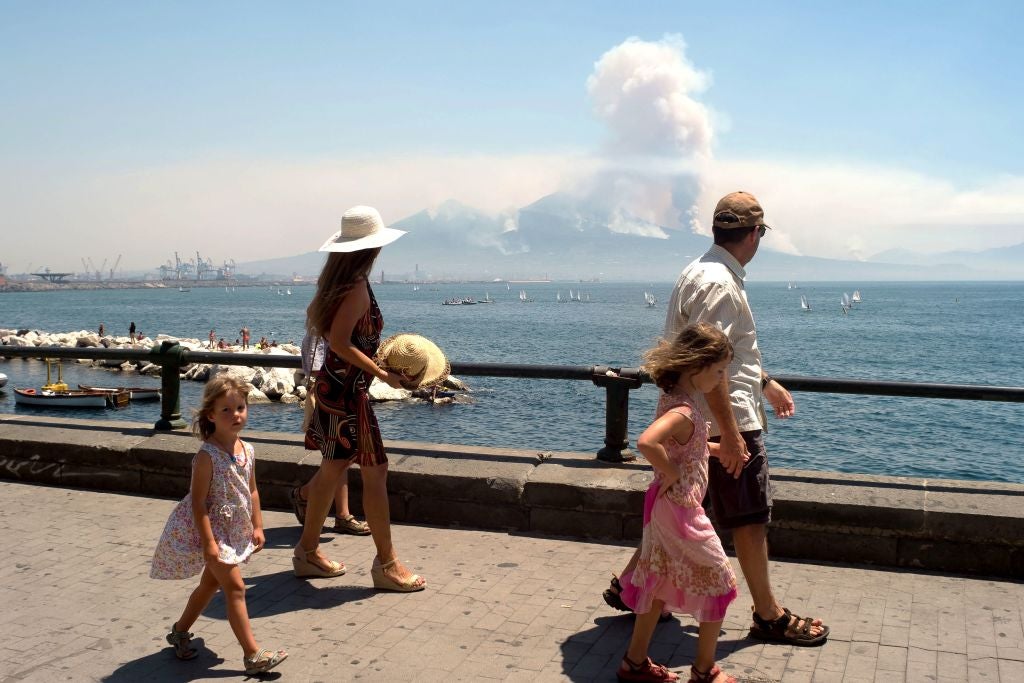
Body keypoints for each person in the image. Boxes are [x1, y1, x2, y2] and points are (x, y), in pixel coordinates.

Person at [608, 191, 828, 648]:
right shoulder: (721, 284)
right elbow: (715, 369)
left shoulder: (698, 272)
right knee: (748, 515)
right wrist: (730, 435)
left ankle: (632, 587)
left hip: (694, 416)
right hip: (722, 420)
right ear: (755, 234)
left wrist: (764, 381)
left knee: (687, 504)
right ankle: (767, 615)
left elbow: (714, 354)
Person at [293, 205, 424, 591]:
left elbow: (340, 339)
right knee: (375, 473)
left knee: (333, 468)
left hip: (336, 387)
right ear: (372, 248)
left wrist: (377, 358)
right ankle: (386, 565)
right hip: (350, 393)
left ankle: (307, 552)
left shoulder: (340, 280)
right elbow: (339, 341)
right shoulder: (354, 286)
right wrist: (384, 373)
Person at [615, 323, 738, 683]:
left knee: (656, 581)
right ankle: (704, 671)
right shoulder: (682, 411)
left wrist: (716, 448)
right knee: (719, 580)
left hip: (664, 508)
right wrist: (669, 472)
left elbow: (686, 448)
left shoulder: (676, 401)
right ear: (696, 366)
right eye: (717, 372)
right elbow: (647, 442)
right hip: (681, 511)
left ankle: (634, 663)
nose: (719, 380)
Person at [149, 374, 288, 675]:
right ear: (211, 415)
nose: (235, 414)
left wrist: (258, 526)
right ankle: (253, 655)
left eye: (240, 407)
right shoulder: (206, 457)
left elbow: (252, 490)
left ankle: (180, 631)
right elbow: (198, 503)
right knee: (235, 588)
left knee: (210, 583)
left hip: (232, 529)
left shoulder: (247, 450)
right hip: (212, 532)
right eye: (226, 410)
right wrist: (209, 544)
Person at [289, 332, 371, 537]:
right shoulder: (319, 332)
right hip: (332, 400)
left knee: (339, 457)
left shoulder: (337, 328)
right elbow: (318, 369)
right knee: (338, 457)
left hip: (344, 398)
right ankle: (307, 495)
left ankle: (340, 513)